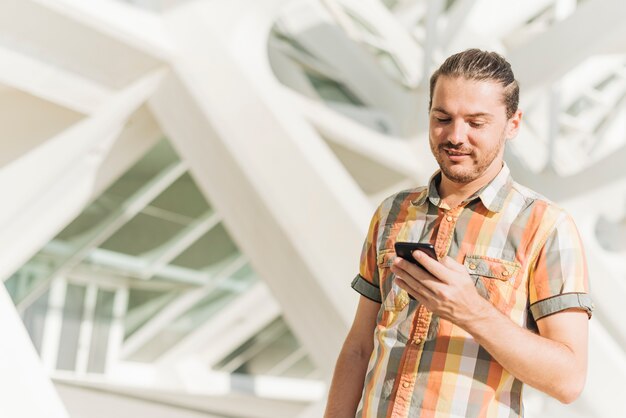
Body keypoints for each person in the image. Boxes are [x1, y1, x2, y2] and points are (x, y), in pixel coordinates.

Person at [324, 49, 593, 418]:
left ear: (513, 124)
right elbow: (358, 347)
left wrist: (471, 312)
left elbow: (568, 380)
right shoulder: (392, 213)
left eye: (476, 122)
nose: (455, 135)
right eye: (442, 118)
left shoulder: (546, 227)